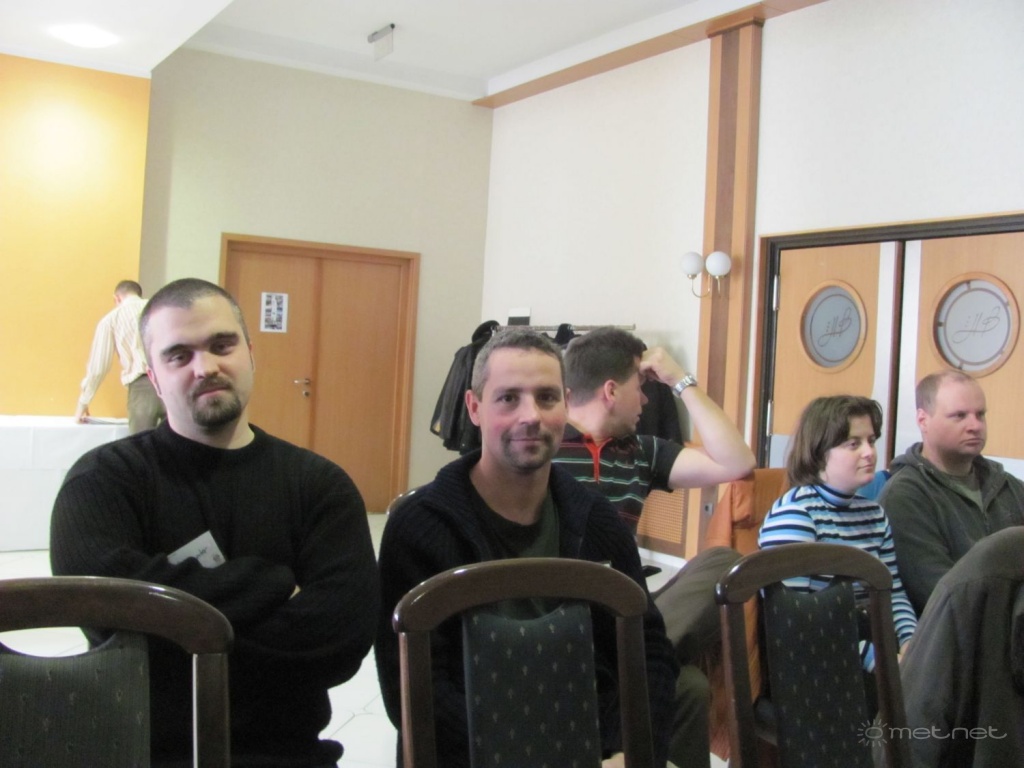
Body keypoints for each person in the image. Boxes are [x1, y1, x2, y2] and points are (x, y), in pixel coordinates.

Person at [51, 278, 378, 768]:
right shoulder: (104, 482)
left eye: (222, 346)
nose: (205, 367)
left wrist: (173, 638)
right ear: (154, 378)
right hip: (143, 755)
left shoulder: (319, 486)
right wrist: (272, 584)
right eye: (178, 355)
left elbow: (340, 641)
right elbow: (102, 609)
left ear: (250, 354)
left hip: (288, 756)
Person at [374, 329, 677, 768]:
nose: (531, 415)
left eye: (547, 397)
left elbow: (648, 651)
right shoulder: (420, 527)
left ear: (566, 406)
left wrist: (622, 749)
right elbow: (411, 689)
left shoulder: (596, 520)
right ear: (474, 408)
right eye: (508, 398)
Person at [554, 326, 756, 768]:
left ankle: (634, 655)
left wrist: (680, 380)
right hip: (562, 615)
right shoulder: (543, 444)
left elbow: (738, 462)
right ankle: (636, 657)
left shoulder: (641, 451)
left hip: (627, 611)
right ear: (611, 390)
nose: (647, 400)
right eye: (641, 387)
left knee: (725, 564)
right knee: (689, 686)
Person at [758, 395, 917, 668]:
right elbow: (792, 623)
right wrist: (882, 663)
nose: (869, 452)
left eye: (871, 441)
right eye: (853, 444)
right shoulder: (796, 514)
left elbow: (893, 593)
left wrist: (912, 645)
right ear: (819, 453)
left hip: (869, 646)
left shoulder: (874, 514)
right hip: (818, 662)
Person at [879, 370, 1024, 616]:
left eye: (980, 414)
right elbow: (943, 597)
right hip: (958, 633)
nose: (975, 426)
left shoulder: (1008, 486)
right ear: (923, 420)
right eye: (959, 416)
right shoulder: (905, 496)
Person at [75, 279, 165, 434]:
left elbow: (98, 368)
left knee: (141, 445)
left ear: (116, 298)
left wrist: (83, 403)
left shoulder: (111, 320)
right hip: (174, 380)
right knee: (180, 444)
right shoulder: (161, 310)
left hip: (142, 387)